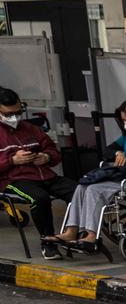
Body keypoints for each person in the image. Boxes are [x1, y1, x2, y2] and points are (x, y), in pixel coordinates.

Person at [44, 99, 126, 252]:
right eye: (124, 121)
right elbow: (107, 150)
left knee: (94, 190)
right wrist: (118, 152)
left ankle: (91, 235)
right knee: (82, 186)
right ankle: (71, 231)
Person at [0, 87, 76, 259]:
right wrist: (12, 161)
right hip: (13, 180)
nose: (14, 117)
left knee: (79, 191)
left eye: (18, 112)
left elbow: (54, 152)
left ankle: (73, 234)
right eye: (8, 114)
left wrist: (46, 156)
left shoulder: (31, 129)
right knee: (39, 198)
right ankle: (47, 242)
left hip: (45, 175)